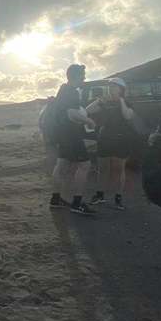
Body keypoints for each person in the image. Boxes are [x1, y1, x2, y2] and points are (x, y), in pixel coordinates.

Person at [49, 64, 98, 215]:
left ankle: (56, 199)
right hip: (71, 135)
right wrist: (88, 121)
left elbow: (69, 112)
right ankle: (77, 204)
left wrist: (87, 111)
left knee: (61, 165)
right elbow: (72, 114)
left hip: (62, 134)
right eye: (83, 75)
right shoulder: (71, 92)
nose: (84, 78)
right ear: (76, 76)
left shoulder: (62, 90)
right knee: (84, 165)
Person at [86, 78, 136, 210]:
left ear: (121, 89)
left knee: (118, 170)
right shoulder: (104, 102)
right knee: (102, 169)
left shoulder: (127, 103)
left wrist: (121, 101)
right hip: (105, 138)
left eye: (114, 87)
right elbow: (88, 110)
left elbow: (127, 116)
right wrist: (99, 100)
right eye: (110, 86)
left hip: (121, 139)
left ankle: (118, 198)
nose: (111, 89)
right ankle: (100, 195)